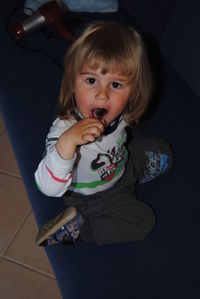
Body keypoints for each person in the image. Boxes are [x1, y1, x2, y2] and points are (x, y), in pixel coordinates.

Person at [35, 21, 174, 246]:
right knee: (143, 221)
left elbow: (125, 125)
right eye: (91, 81)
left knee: (164, 152)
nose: (102, 95)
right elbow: (48, 187)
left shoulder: (120, 112)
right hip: (92, 195)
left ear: (133, 91)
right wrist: (67, 143)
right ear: (72, 83)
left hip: (122, 167)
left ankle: (135, 175)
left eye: (116, 85)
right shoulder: (64, 130)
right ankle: (81, 227)